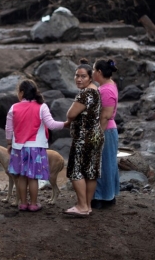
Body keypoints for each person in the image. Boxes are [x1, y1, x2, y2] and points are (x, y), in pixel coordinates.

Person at [5, 79, 69, 212]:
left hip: (18, 148)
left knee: (22, 176)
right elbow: (51, 124)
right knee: (33, 177)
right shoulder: (42, 107)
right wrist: (65, 124)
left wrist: (9, 143)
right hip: (36, 148)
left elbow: (8, 128)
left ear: (21, 93)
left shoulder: (14, 107)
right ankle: (33, 204)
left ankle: (23, 203)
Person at [64, 59, 104, 217]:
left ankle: (82, 206)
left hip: (84, 137)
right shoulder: (96, 90)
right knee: (90, 172)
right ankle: (87, 205)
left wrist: (69, 119)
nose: (78, 79)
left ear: (90, 78)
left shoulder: (86, 93)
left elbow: (71, 114)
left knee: (75, 171)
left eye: (83, 76)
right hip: (95, 135)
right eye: (76, 76)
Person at [91, 59, 120, 209]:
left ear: (99, 73)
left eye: (93, 70)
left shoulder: (106, 90)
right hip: (108, 129)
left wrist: (98, 134)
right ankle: (108, 196)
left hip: (106, 130)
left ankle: (102, 197)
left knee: (102, 164)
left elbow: (106, 115)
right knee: (106, 163)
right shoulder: (108, 85)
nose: (92, 72)